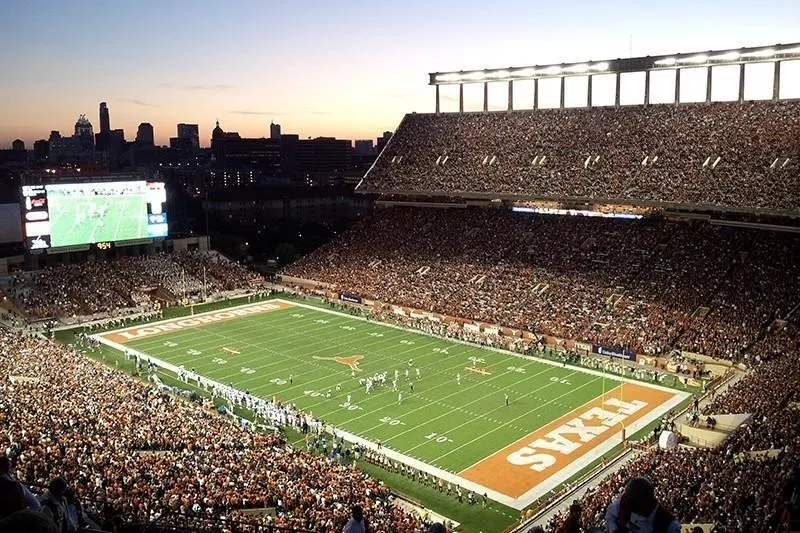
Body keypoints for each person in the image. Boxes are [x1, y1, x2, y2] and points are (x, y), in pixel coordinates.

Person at [605, 476, 681, 533]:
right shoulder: (626, 502)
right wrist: (615, 529)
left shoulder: (669, 526)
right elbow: (610, 513)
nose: (626, 504)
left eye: (630, 502)